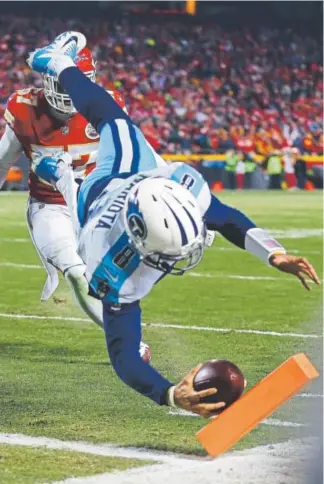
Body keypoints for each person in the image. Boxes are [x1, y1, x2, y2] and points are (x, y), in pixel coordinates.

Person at [27, 31, 320, 418]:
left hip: (142, 173)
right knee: (73, 192)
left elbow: (227, 218)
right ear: (137, 244)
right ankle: (61, 167)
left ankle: (57, 63)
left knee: (112, 116)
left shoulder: (182, 185)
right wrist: (166, 393)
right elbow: (123, 356)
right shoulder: (109, 266)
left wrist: (274, 254)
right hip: (99, 196)